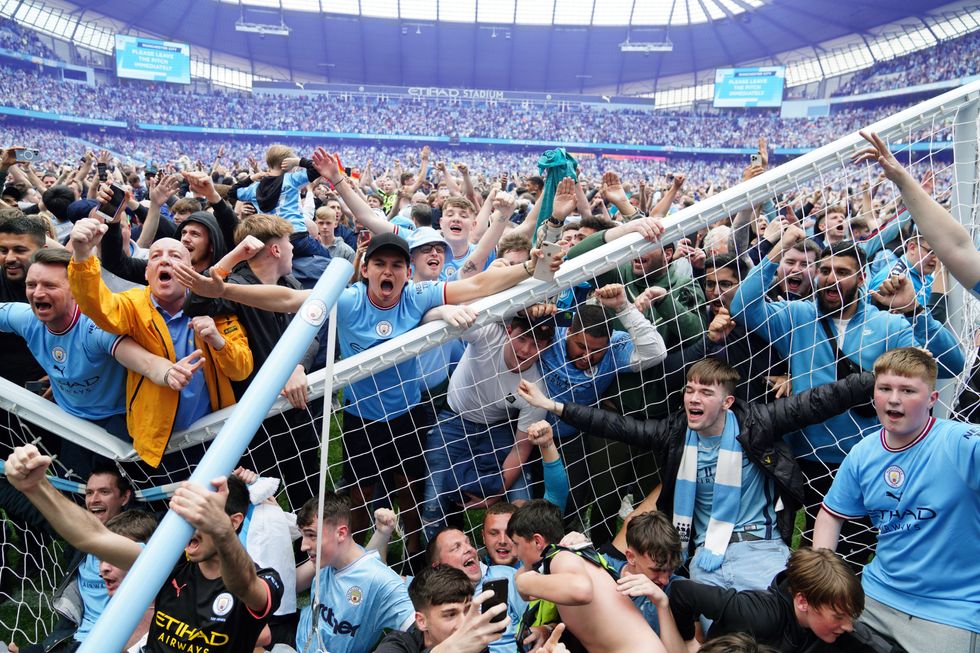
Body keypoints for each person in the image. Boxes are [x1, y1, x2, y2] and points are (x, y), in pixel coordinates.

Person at [171, 222, 562, 557]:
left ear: (407, 273)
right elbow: (290, 299)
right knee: (358, 493)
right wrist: (224, 292)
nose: (387, 272)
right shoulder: (350, 299)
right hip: (361, 415)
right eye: (379, 264)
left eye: (396, 265)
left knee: (409, 489)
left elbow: (477, 284)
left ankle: (415, 554)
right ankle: (352, 555)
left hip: (408, 412)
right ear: (366, 269)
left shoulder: (416, 295)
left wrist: (528, 267)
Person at [518, 358, 877, 594]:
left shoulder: (758, 424)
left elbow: (820, 400)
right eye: (690, 389)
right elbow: (615, 425)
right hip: (702, 558)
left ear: (727, 403)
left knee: (774, 625)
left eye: (706, 392)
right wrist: (553, 406)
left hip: (761, 549)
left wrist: (882, 380)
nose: (694, 397)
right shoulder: (674, 434)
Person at [730, 226, 965, 562]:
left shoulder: (888, 325)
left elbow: (952, 365)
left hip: (864, 457)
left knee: (851, 554)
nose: (831, 278)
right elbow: (742, 307)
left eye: (842, 272)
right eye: (824, 270)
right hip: (804, 455)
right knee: (799, 548)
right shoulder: (798, 318)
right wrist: (777, 247)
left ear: (862, 277)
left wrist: (914, 311)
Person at [4, 444, 284, 653]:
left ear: (234, 521)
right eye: (187, 512)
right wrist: (36, 487)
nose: (190, 523)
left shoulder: (264, 579)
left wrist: (221, 531)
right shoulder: (169, 564)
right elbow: (91, 536)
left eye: (202, 513)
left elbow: (244, 585)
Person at [815, 347, 980, 652]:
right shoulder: (863, 453)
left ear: (932, 400)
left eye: (907, 390)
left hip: (951, 609)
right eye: (885, 388)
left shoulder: (959, 442)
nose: (894, 399)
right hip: (877, 596)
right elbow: (830, 514)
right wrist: (821, 573)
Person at [0, 247, 205, 476]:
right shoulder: (25, 318)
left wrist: (169, 373)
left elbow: (145, 362)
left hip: (115, 422)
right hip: (69, 418)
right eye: (32, 285)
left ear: (75, 291)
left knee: (122, 489)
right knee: (77, 487)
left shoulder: (94, 328)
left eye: (50, 286)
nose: (37, 293)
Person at [67, 218, 253, 468]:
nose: (164, 260)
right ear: (146, 273)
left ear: (192, 272)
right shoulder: (132, 304)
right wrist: (81, 254)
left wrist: (218, 341)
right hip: (157, 445)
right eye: (155, 256)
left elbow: (241, 370)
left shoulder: (213, 305)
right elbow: (98, 307)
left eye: (176, 256)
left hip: (215, 435)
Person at [537, 283, 666, 540]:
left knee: (570, 499)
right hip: (526, 427)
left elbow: (656, 351)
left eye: (596, 350)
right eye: (580, 346)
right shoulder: (557, 326)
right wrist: (534, 310)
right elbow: (527, 317)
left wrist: (622, 307)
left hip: (571, 435)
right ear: (568, 334)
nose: (587, 356)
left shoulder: (616, 348)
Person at [3, 462, 133, 653]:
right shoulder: (78, 540)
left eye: (104, 492)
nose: (94, 499)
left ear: (125, 497)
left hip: (117, 643)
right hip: (73, 642)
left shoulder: (144, 538)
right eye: (89, 493)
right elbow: (34, 510)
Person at [508, 499, 668, 653]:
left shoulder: (562, 557)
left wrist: (524, 582)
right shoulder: (570, 562)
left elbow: (581, 590)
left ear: (537, 541)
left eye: (516, 544)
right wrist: (546, 629)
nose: (515, 553)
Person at [668, 548, 891, 652]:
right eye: (839, 616)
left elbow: (872, 645)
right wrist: (689, 639)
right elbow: (682, 592)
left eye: (850, 617)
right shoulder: (758, 614)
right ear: (803, 602)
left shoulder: (834, 628)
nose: (848, 626)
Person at [853, 130, 980, 299]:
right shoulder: (890, 270)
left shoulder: (925, 277)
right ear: (911, 246)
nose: (936, 258)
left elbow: (957, 245)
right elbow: (956, 245)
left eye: (936, 251)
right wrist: (903, 180)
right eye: (931, 251)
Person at [293, 492, 415, 653]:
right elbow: (292, 584)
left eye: (311, 535)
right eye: (303, 536)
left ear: (341, 533)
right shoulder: (326, 558)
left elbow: (423, 630)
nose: (303, 546)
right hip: (295, 640)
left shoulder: (382, 582)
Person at [424, 528, 529, 653]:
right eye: (456, 548)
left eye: (468, 543)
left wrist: (545, 629)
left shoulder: (506, 576)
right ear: (438, 566)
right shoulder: (428, 598)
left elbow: (534, 620)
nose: (470, 549)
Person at [373, 565, 508, 653]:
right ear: (421, 621)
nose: (463, 623)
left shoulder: (474, 645)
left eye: (467, 610)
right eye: (450, 614)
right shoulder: (397, 646)